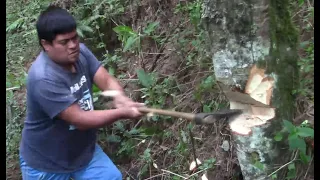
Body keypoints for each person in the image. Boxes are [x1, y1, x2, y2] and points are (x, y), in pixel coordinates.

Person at [19, 5, 144, 180]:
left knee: (111, 177)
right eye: (64, 42)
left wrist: (120, 98)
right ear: (46, 44)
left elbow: (106, 79)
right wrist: (123, 112)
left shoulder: (81, 53)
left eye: (74, 38)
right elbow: (80, 120)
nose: (73, 46)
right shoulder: (43, 78)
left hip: (82, 153)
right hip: (45, 162)